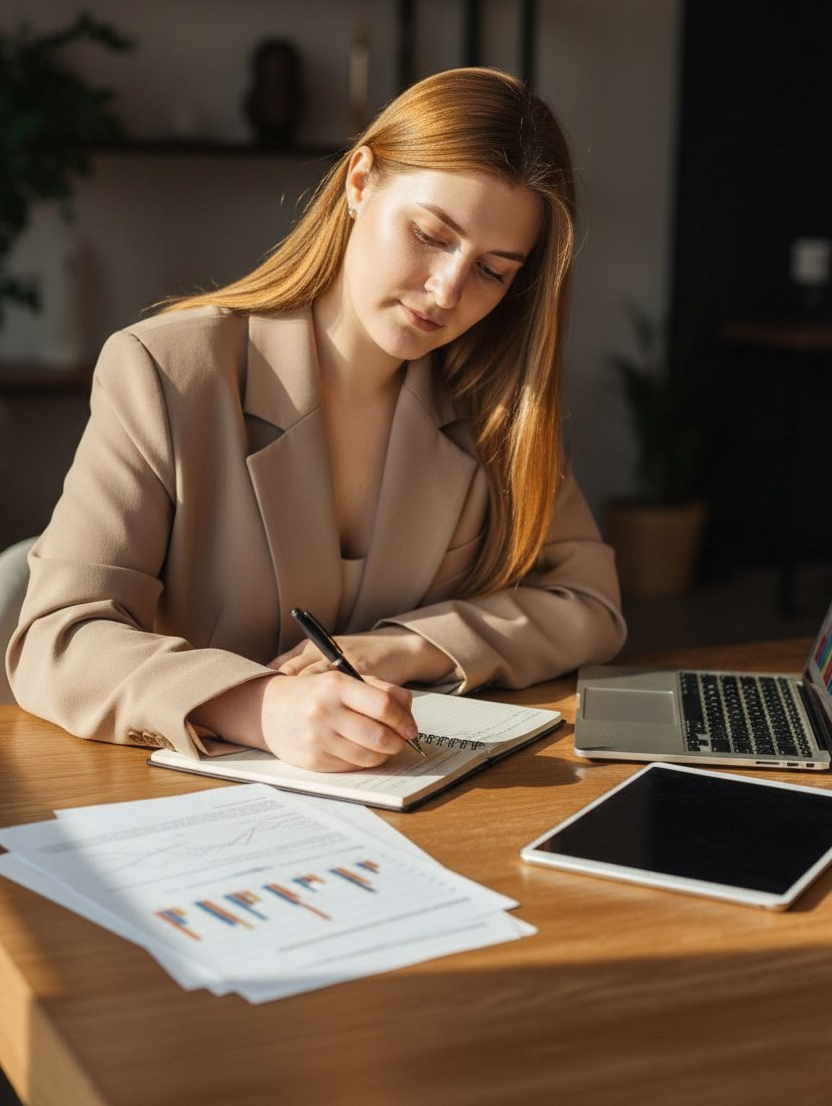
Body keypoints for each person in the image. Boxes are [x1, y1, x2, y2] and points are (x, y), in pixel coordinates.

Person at [6, 66, 626, 772]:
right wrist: (260, 706)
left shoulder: (494, 404)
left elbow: (588, 603)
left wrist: (407, 644)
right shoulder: (169, 370)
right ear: (360, 182)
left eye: (493, 270)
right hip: (182, 808)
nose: (447, 289)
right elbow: (57, 637)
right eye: (430, 233)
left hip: (414, 807)